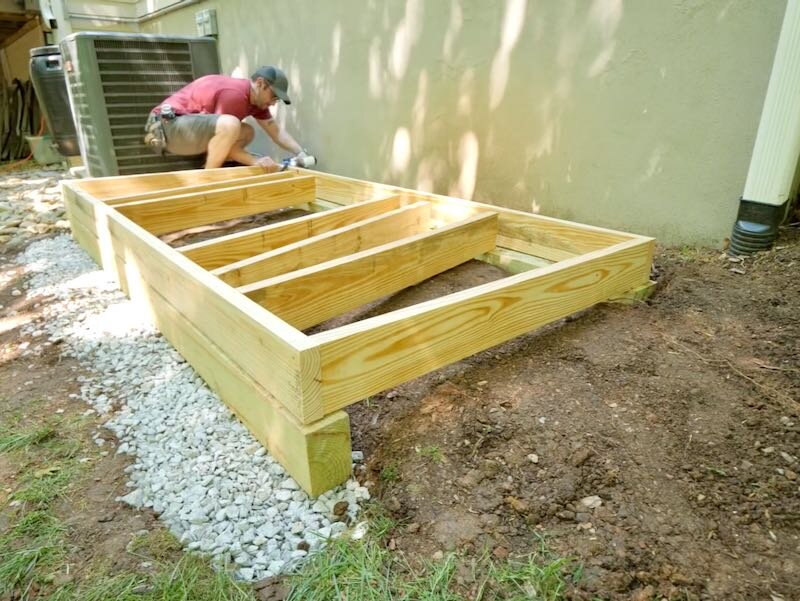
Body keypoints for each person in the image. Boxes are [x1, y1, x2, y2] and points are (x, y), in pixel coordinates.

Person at [144, 66, 309, 172]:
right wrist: (256, 161)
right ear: (260, 84)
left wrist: (300, 153)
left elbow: (276, 132)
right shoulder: (235, 95)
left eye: (276, 100)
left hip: (181, 130)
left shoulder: (256, 103)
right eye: (274, 96)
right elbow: (227, 137)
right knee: (231, 126)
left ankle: (210, 171)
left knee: (247, 132)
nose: (273, 103)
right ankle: (208, 182)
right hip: (166, 127)